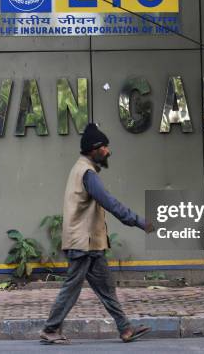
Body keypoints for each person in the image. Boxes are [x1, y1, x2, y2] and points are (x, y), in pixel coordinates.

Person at [40, 123, 153, 345]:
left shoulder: (82, 169)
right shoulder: (87, 173)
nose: (108, 151)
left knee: (106, 288)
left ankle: (125, 328)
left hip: (91, 244)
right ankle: (50, 329)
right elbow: (109, 202)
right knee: (72, 288)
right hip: (83, 244)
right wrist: (139, 221)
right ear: (94, 149)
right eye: (105, 147)